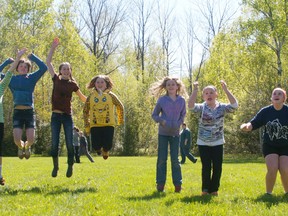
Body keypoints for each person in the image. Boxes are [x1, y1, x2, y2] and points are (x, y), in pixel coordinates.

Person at [188, 80, 238, 196]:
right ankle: (205, 189)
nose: (209, 95)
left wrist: (226, 90)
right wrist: (195, 90)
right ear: (203, 96)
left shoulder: (222, 107)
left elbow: (235, 105)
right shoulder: (201, 107)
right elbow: (190, 106)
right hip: (203, 142)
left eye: (211, 92)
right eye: (206, 93)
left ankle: (214, 190)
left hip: (218, 142)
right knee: (206, 167)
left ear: (216, 94)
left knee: (217, 167)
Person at [46, 38, 87, 178]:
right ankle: (56, 167)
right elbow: (48, 62)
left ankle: (70, 165)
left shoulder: (72, 84)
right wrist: (53, 48)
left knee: (70, 143)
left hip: (67, 116)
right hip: (55, 116)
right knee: (54, 143)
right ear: (60, 70)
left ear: (70, 71)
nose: (66, 70)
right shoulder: (56, 79)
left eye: (68, 69)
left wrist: (95, 100)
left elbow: (82, 97)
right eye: (64, 68)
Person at [1, 48, 48, 160]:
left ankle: (27, 146)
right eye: (21, 66)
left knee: (31, 140)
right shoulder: (11, 79)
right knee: (17, 140)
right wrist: (7, 62)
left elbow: (44, 68)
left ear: (28, 69)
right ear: (17, 68)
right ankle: (20, 146)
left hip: (29, 112)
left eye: (25, 67)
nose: (23, 68)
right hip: (17, 112)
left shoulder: (31, 78)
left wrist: (33, 57)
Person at [240, 88, 288, 195]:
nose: (276, 95)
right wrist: (246, 126)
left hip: (286, 146)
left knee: (285, 170)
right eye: (274, 93)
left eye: (280, 94)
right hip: (270, 145)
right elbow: (253, 123)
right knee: (273, 169)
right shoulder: (265, 111)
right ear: (271, 98)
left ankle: (287, 192)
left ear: (284, 98)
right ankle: (268, 194)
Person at [151, 76, 187, 193]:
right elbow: (154, 115)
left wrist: (179, 123)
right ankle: (160, 184)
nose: (171, 86)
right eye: (168, 85)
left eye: (173, 84)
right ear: (165, 87)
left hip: (176, 134)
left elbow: (183, 115)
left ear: (177, 87)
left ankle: (178, 185)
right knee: (162, 159)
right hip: (163, 134)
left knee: (175, 160)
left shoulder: (181, 101)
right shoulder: (162, 100)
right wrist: (162, 121)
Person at [0, 48, 27, 185]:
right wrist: (5, 62)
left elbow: (9, 73)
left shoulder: (1, 87)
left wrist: (18, 58)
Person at [83, 75, 124, 160]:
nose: (100, 84)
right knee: (95, 145)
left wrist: (120, 120)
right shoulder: (91, 97)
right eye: (97, 82)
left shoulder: (111, 96)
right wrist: (87, 126)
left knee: (108, 145)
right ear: (94, 84)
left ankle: (105, 150)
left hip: (109, 124)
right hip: (95, 124)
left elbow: (120, 106)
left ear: (106, 84)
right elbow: (85, 111)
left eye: (102, 82)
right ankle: (98, 150)